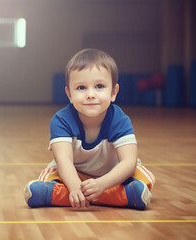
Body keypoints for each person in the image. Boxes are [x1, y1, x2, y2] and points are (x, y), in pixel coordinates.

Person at [24, 48, 155, 210]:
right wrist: (74, 188)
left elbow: (128, 162)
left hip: (113, 175)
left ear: (114, 92)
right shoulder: (61, 120)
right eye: (81, 88)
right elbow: (63, 160)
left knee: (141, 174)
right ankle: (122, 197)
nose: (90, 94)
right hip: (73, 173)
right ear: (69, 94)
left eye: (99, 86)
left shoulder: (119, 120)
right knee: (50, 176)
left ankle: (58, 196)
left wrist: (101, 184)